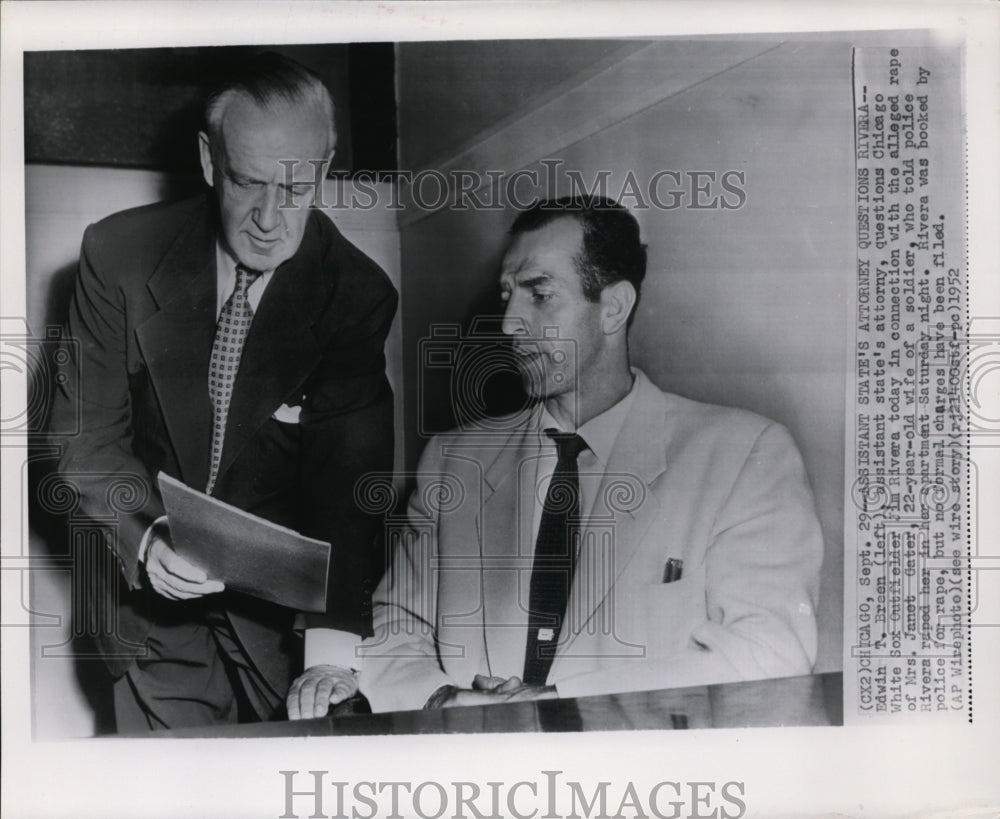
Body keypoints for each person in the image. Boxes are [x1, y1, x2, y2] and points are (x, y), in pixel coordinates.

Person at [287, 195, 821, 718]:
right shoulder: (453, 459)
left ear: (613, 307)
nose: (509, 325)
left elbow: (770, 653)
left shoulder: (743, 455)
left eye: (539, 296)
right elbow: (397, 627)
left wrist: (559, 702)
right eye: (507, 297)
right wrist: (439, 698)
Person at [49, 52, 397, 731]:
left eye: (295, 189)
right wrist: (147, 537)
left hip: (282, 624)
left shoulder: (357, 295)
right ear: (210, 163)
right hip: (143, 600)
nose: (270, 218)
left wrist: (330, 652)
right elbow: (84, 437)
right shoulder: (117, 254)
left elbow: (349, 489)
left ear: (324, 170)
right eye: (248, 183)